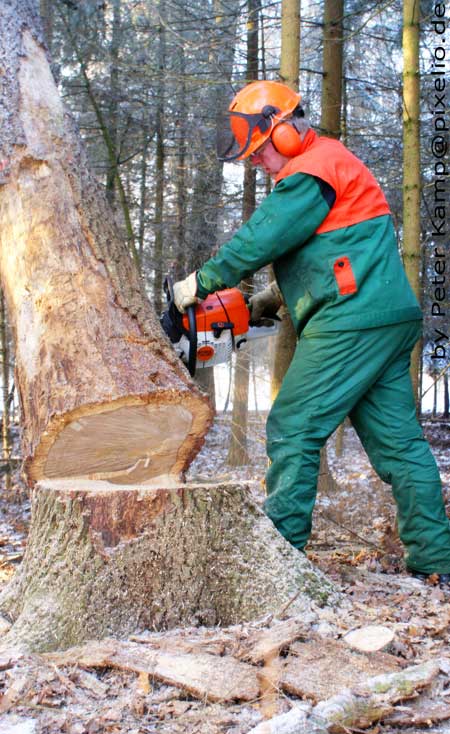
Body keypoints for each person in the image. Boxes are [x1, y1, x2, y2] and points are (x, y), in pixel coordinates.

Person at [173, 80, 450, 583]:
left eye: (261, 150)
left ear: (284, 131)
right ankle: (436, 562)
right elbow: (331, 250)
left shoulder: (312, 170)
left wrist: (201, 282)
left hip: (349, 321)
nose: (258, 162)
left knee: (293, 425)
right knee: (401, 448)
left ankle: (280, 563)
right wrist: (270, 299)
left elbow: (260, 239)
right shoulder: (330, 165)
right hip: (385, 318)